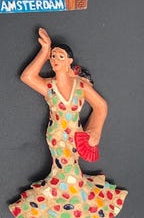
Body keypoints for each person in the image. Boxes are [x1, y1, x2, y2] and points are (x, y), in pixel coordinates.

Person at [10, 28, 127, 218]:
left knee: (71, 171)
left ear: (69, 61)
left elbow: (101, 106)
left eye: (60, 56)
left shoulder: (81, 86)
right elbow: (27, 77)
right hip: (56, 137)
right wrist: (44, 50)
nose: (55, 59)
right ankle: (64, 204)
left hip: (76, 137)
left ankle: (71, 204)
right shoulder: (49, 86)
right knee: (62, 170)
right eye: (53, 56)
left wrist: (95, 132)